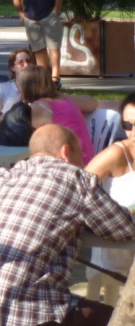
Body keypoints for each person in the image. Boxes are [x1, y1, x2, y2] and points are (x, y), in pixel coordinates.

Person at [0, 124, 135, 326]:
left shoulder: (6, 177)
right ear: (66, 152)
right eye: (80, 156)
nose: (83, 163)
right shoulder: (74, 179)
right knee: (118, 317)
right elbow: (124, 229)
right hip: (29, 316)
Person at [84, 93, 135, 301]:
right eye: (128, 124)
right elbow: (79, 186)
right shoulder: (116, 154)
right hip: (114, 258)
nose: (133, 131)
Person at [18, 65, 96, 165]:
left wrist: (19, 102)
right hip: (87, 160)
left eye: (19, 86)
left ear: (26, 88)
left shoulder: (38, 108)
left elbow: (22, 135)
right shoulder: (64, 99)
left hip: (70, 165)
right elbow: (93, 102)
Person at [12, 0, 64, 88]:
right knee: (38, 49)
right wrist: (22, 14)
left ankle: (56, 78)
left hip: (49, 14)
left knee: (54, 47)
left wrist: (57, 8)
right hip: (31, 17)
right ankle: (44, 78)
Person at [0, 48, 33, 125]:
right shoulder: (3, 87)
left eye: (28, 61)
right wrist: (13, 119)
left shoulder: (38, 87)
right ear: (12, 67)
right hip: (7, 131)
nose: (26, 65)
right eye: (21, 63)